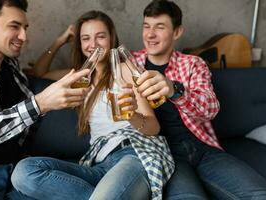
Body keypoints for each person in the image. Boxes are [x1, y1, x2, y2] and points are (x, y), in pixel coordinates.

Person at [11, 10, 173, 200]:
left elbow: (154, 127)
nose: (93, 44)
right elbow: (39, 72)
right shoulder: (80, 77)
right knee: (24, 172)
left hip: (133, 153)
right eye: (86, 38)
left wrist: (132, 116)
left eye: (100, 37)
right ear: (80, 44)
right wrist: (60, 40)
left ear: (111, 39)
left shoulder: (123, 70)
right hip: (98, 164)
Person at [132, 0, 266, 199]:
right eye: (146, 26)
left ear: (177, 32)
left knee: (263, 195)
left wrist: (174, 89)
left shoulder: (192, 64)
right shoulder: (130, 63)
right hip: (165, 153)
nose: (150, 34)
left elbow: (210, 109)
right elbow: (92, 67)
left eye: (159, 27)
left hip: (202, 147)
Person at [0, 0, 90, 199]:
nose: (24, 36)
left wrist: (59, 42)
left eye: (25, 27)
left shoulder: (12, 67)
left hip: (18, 173)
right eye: (14, 26)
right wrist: (39, 104)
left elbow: (38, 73)